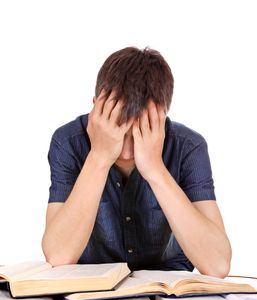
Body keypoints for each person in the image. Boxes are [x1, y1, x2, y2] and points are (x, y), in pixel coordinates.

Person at [42, 46, 232, 277]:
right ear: (95, 109)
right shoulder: (68, 142)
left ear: (162, 115)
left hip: (167, 288)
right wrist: (99, 157)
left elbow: (218, 265)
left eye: (141, 132)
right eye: (118, 131)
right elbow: (58, 256)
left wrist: (154, 169)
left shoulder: (189, 147)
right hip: (91, 288)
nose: (127, 153)